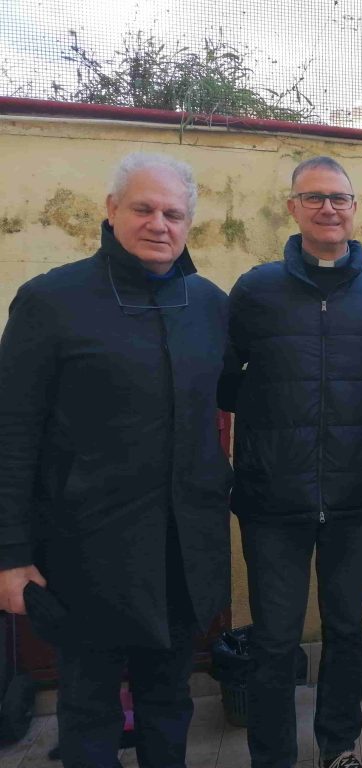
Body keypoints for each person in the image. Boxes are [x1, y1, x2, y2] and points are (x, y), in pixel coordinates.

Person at [0, 152, 231, 767]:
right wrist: (10, 557)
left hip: (183, 552)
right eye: (143, 208)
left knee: (169, 699)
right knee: (90, 708)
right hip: (85, 552)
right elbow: (12, 434)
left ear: (189, 224)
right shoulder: (50, 301)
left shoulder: (208, 304)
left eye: (174, 213)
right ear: (110, 210)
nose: (159, 224)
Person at [218, 156, 362, 768]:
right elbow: (225, 385)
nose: (328, 208)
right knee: (274, 641)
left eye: (339, 198)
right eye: (314, 197)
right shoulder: (254, 291)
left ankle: (338, 747)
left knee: (347, 632)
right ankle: (272, 757)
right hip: (273, 500)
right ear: (292, 207)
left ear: (355, 208)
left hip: (356, 497)